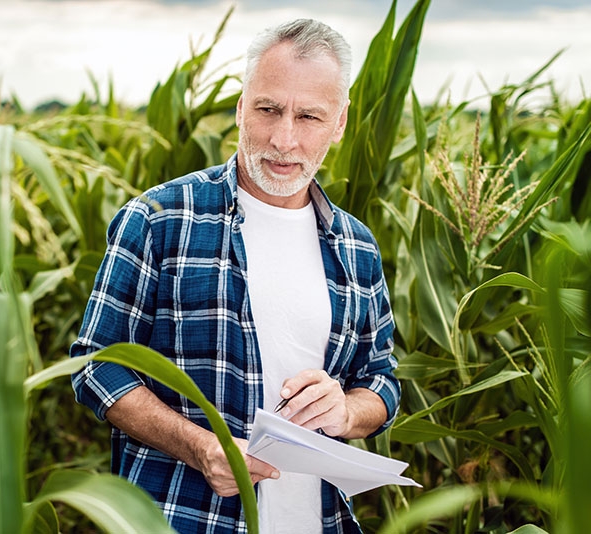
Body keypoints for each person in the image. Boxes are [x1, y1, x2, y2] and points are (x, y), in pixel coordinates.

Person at [70, 18, 400, 534]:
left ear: (339, 123)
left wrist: (347, 411)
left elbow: (380, 380)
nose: (284, 138)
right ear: (242, 105)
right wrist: (203, 447)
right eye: (268, 109)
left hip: (319, 522)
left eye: (310, 116)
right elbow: (97, 368)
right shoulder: (159, 219)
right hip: (184, 518)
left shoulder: (356, 246)